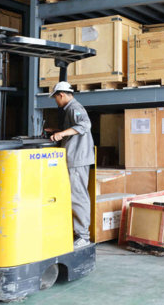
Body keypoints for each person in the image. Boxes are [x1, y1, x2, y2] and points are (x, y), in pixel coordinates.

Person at [48, 81, 94, 249]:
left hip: (77, 159)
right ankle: (79, 233)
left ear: (61, 95)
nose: (56, 101)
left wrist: (61, 134)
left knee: (78, 196)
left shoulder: (74, 107)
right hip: (75, 159)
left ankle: (83, 236)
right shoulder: (70, 109)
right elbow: (75, 130)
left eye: (55, 98)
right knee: (75, 195)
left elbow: (85, 125)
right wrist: (57, 131)